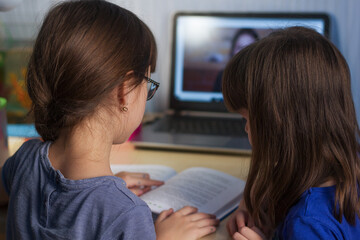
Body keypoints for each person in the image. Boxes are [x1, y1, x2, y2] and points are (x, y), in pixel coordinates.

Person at [0, 1, 219, 239]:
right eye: (148, 83)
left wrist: (102, 190)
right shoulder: (126, 214)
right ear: (124, 91)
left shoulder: (25, 158)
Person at [222, 26, 360, 239]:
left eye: (247, 119)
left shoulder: (306, 224)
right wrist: (250, 203)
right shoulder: (348, 167)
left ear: (280, 126)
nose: (247, 128)